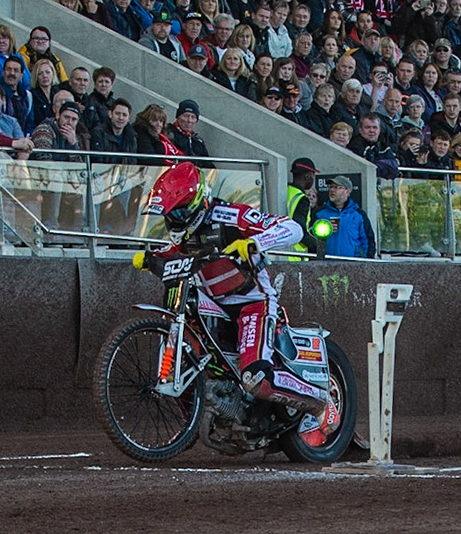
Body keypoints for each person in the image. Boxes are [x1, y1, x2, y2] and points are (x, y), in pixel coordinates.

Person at [133, 161, 339, 447]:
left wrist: (255, 243)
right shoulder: (184, 233)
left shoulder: (229, 214)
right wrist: (152, 256)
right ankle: (207, 420)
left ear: (198, 201)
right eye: (170, 213)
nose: (175, 218)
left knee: (256, 378)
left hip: (253, 302)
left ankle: (318, 403)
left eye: (180, 211)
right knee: (184, 356)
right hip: (213, 304)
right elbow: (175, 250)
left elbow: (292, 228)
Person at [314, 176, 375, 259]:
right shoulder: (319, 213)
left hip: (353, 264)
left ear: (347, 191)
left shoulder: (359, 215)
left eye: (336, 187)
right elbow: (311, 238)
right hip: (326, 264)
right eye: (331, 187)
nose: (332, 190)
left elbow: (368, 241)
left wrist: (366, 263)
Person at [285, 157, 320, 257]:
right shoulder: (302, 198)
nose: (313, 179)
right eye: (313, 175)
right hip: (294, 256)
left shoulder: (285, 190)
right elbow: (300, 230)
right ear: (307, 176)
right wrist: (316, 245)